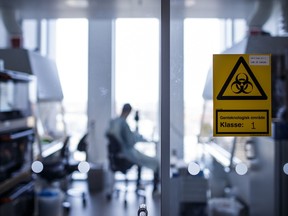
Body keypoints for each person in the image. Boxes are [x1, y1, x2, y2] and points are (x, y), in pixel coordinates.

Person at [106, 103, 159, 194]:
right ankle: (155, 190)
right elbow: (130, 141)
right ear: (129, 112)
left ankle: (139, 184)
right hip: (127, 155)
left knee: (140, 160)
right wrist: (139, 137)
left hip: (115, 157)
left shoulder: (113, 122)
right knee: (155, 162)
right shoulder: (123, 124)